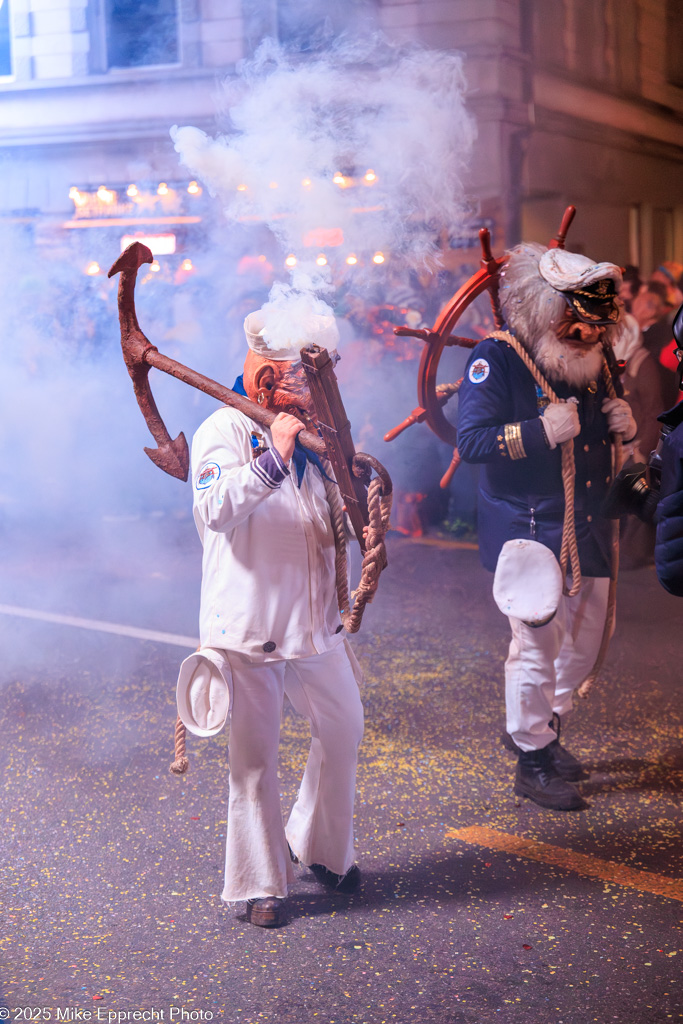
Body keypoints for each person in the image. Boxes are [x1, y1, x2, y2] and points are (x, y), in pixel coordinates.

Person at [176, 309, 364, 928]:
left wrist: (360, 504)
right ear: (265, 382)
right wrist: (275, 455)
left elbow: (331, 526)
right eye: (304, 380)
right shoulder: (221, 429)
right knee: (253, 761)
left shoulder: (318, 436)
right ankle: (259, 882)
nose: (317, 394)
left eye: (319, 379)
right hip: (249, 625)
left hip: (315, 624)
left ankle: (320, 847)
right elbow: (214, 510)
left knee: (344, 728)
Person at [457, 242, 635, 812]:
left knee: (586, 644)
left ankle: (544, 728)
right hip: (528, 524)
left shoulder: (597, 356)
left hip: (586, 522)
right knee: (534, 648)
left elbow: (606, 408)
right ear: (544, 309)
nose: (586, 336)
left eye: (595, 326)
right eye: (576, 324)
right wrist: (538, 431)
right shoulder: (497, 356)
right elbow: (472, 442)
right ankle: (530, 756)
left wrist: (620, 422)